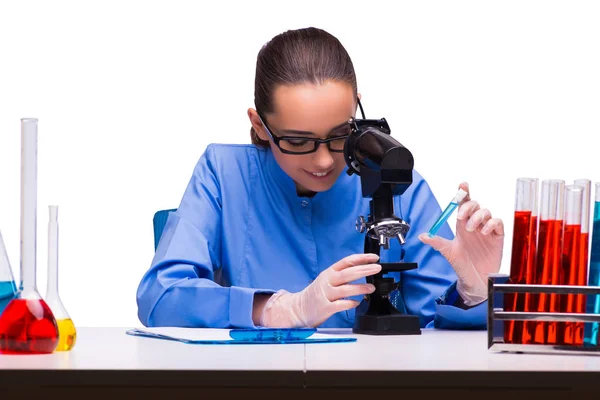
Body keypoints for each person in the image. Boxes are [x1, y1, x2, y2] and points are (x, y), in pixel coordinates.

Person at [136, 27, 504, 330]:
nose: (325, 160)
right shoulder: (223, 173)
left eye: (341, 133)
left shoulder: (397, 184)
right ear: (259, 125)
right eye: (298, 141)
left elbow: (435, 329)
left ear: (356, 108)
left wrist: (471, 291)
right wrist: (279, 309)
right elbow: (161, 297)